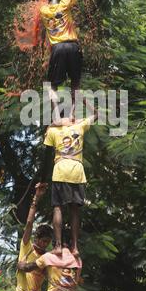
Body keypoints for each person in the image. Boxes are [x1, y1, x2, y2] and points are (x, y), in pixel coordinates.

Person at [38, 99, 98, 257]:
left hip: (60, 170)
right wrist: (84, 100)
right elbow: (96, 115)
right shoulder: (79, 126)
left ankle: (58, 246)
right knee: (75, 210)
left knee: (57, 207)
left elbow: (46, 156)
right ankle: (75, 247)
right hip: (77, 171)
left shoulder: (53, 130)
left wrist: (43, 179)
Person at [12, 184, 53, 291]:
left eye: (48, 242)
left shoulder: (47, 258)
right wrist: (36, 198)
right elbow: (29, 223)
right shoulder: (26, 246)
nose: (45, 244)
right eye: (43, 241)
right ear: (37, 238)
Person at [40, 0, 82, 102]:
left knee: (52, 86)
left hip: (58, 48)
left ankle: (57, 116)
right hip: (73, 47)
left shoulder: (44, 11)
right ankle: (73, 115)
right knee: (75, 84)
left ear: (49, 0)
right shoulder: (64, 5)